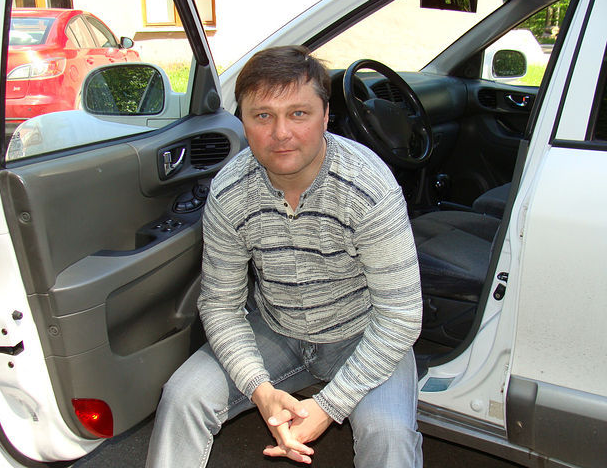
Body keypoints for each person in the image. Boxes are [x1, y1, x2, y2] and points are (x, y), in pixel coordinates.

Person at [146, 45, 423, 467]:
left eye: (298, 113)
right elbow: (220, 305)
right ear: (242, 121)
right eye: (262, 115)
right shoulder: (229, 192)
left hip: (363, 335)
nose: (280, 133)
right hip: (277, 329)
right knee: (183, 396)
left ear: (325, 116)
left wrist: (329, 405)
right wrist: (260, 389)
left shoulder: (368, 188)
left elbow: (400, 316)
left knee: (389, 435)